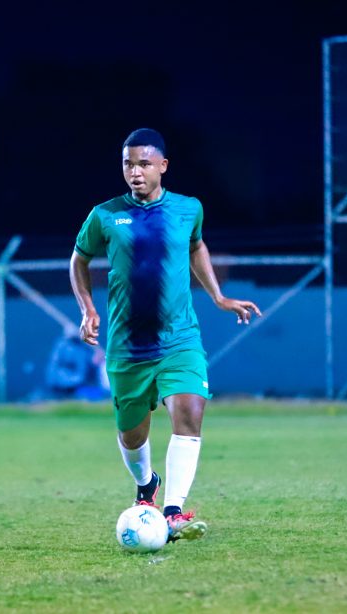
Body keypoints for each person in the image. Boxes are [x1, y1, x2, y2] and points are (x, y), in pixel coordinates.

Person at [69, 128, 261, 542]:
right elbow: (79, 260)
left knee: (190, 412)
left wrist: (218, 296)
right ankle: (146, 485)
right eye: (128, 164)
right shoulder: (105, 215)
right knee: (132, 434)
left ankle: (172, 511)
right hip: (127, 347)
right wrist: (87, 309)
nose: (135, 172)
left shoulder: (188, 209)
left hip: (179, 339)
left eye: (143, 164)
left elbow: (196, 246)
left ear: (163, 166)